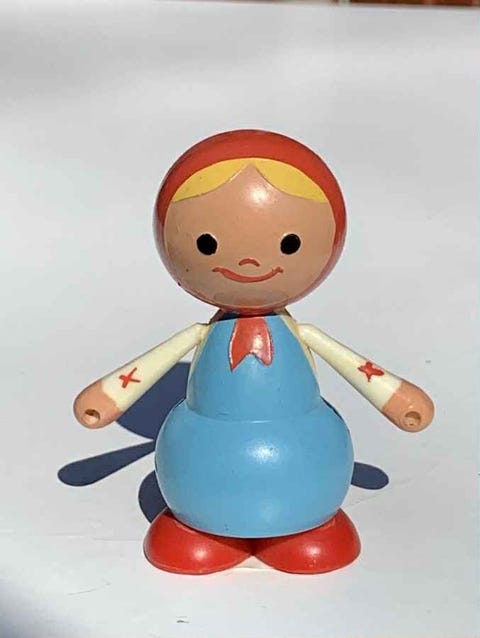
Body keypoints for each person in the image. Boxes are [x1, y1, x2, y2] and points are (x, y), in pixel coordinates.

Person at [74, 130, 434, 574]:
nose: (249, 264)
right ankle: (200, 529)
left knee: (306, 478)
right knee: (197, 475)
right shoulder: (204, 336)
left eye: (290, 244)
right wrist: (107, 402)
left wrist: (398, 402)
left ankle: (306, 528)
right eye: (206, 244)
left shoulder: (301, 334)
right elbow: (139, 374)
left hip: (303, 455)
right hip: (203, 457)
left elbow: (359, 369)